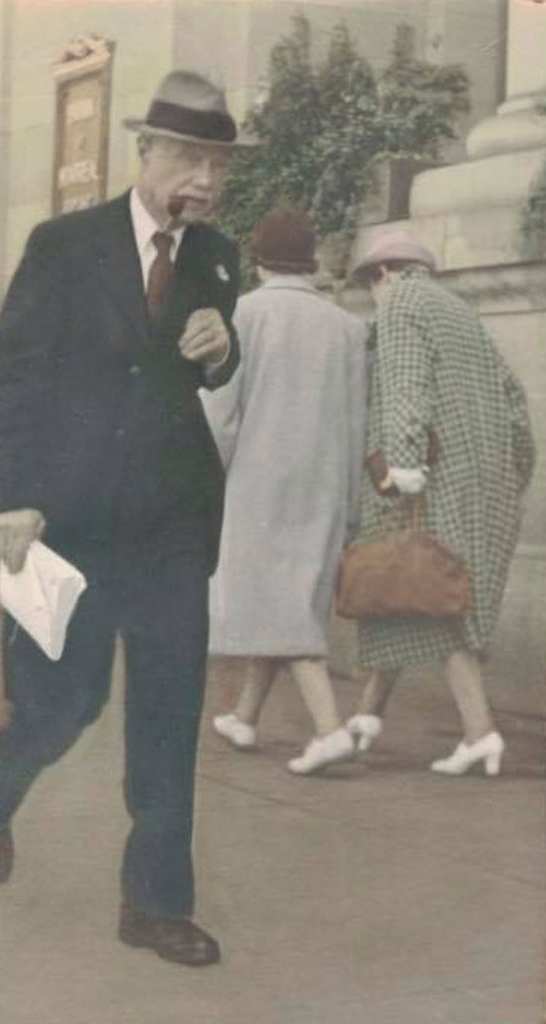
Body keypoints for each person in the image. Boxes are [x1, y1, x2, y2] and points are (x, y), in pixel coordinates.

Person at [0, 70, 255, 967]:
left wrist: (221, 349)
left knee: (166, 718)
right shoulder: (64, 245)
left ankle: (155, 906)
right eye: (189, 158)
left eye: (217, 164)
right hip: (74, 520)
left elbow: (203, 365)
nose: (202, 181)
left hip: (169, 524)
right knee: (63, 706)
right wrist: (14, 496)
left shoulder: (215, 257)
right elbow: (13, 374)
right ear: (146, 153)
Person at [345, 231, 535, 775]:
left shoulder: (402, 304)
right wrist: (514, 468)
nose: (371, 294)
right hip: (486, 476)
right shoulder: (461, 312)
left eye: (367, 283)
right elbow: (514, 400)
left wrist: (401, 465)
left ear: (383, 274)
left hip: (431, 477)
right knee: (410, 588)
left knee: (435, 595)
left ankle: (480, 733)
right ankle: (366, 716)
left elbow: (407, 385)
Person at [203, 207, 368, 775]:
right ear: (312, 258)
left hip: (257, 481)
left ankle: (328, 728)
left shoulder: (242, 315)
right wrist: (351, 504)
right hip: (323, 482)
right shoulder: (347, 327)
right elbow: (356, 423)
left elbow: (221, 412)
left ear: (258, 258)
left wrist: (205, 478)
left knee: (281, 604)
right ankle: (244, 715)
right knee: (291, 597)